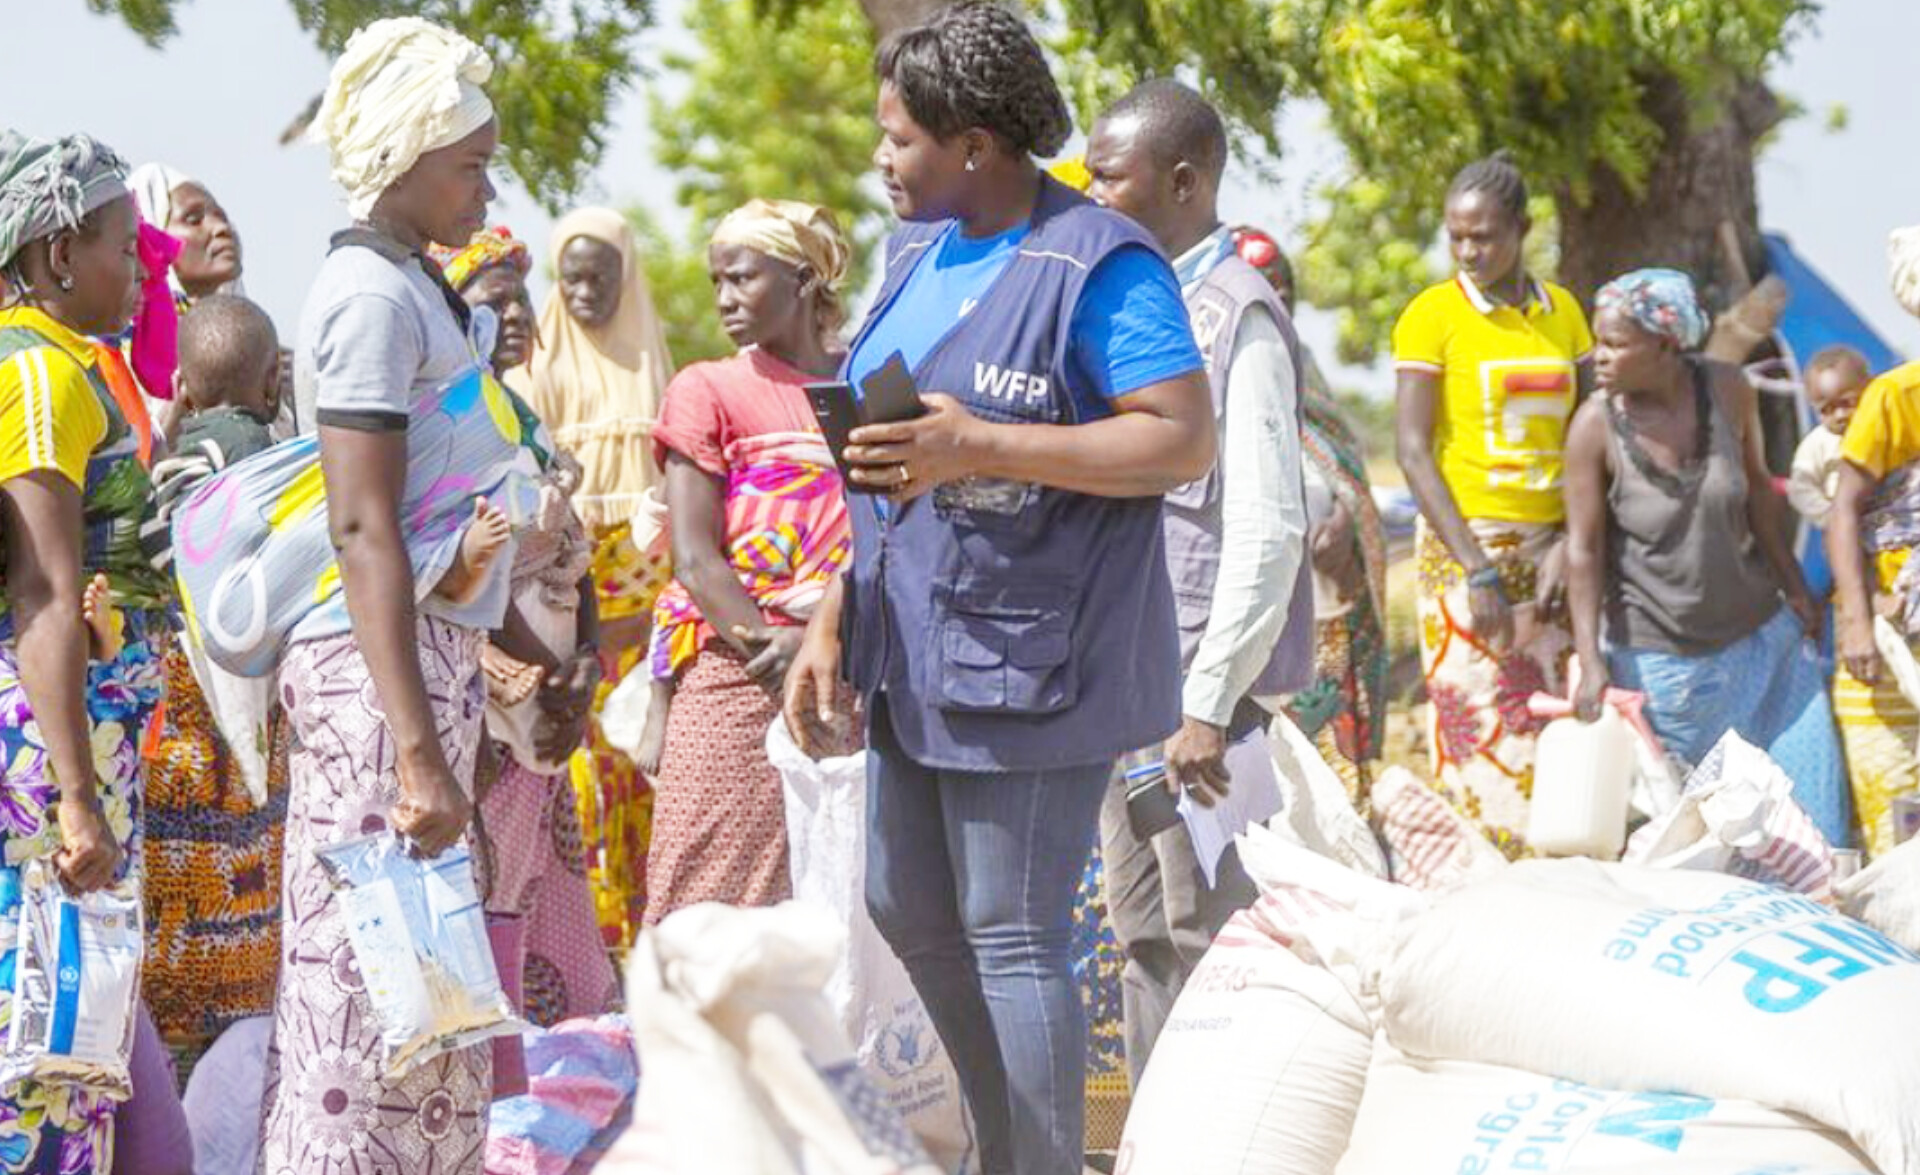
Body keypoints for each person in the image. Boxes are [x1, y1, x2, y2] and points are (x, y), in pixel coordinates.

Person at [781, 6, 1215, 1171]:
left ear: (975, 143)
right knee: (906, 905)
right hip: (914, 642)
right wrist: (834, 607)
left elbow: (1179, 441)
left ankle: (1040, 1159)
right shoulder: (917, 255)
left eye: (899, 138)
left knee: (1014, 932)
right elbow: (889, 453)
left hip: (1038, 651)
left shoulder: (1101, 261)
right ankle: (1002, 1145)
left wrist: (984, 445)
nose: (882, 159)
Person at [257, 18, 523, 1172]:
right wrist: (416, 752)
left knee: (432, 1002)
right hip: (378, 687)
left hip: (415, 674)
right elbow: (364, 525)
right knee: (367, 1008)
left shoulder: (418, 287)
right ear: (405, 158)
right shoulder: (368, 296)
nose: (485, 185)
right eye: (469, 163)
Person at [1082, 79, 1310, 1084]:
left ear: (1183, 181)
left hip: (1198, 706)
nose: (1088, 194)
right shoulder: (1139, 305)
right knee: (1143, 933)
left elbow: (1267, 534)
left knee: (1210, 935)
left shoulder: (1237, 320)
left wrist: (1209, 704)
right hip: (1128, 687)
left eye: (1108, 176)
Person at [0, 128, 180, 1173]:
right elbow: (43, 591)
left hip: (79, 730)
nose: (144, 267)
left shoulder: (74, 367)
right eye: (125, 245)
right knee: (52, 1020)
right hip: (44, 746)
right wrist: (75, 795)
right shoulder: (35, 377)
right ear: (59, 254)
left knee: (85, 1017)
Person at [1563, 268, 1846, 846]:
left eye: (1615, 344)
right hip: (1667, 672)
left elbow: (1758, 496)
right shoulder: (1595, 427)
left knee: (1815, 825)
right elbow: (1583, 549)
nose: (1599, 358)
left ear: (1666, 344)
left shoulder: (1727, 388)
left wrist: (1794, 587)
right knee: (1711, 846)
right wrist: (1590, 658)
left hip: (1766, 652)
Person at [641, 199, 858, 922]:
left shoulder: (863, 387)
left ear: (801, 279)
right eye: (717, 284)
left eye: (741, 279)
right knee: (705, 903)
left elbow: (898, 531)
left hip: (851, 665)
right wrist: (781, 651)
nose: (726, 300)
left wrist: (824, 641)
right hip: (737, 670)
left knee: (836, 901)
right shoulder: (707, 390)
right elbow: (696, 557)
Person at [427, 225, 618, 1025]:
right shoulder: (442, 424)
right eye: (488, 300)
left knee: (551, 908)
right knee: (487, 896)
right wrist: (536, 668)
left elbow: (574, 557)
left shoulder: (522, 419)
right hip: (484, 710)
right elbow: (464, 570)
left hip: (545, 712)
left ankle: (563, 1089)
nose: (511, 314)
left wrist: (588, 659)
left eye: (517, 299)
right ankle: (496, 1088)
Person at [1392, 153, 1593, 854]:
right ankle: (1485, 887)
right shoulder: (1433, 316)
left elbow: (1587, 435)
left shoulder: (1563, 313)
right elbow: (1414, 451)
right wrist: (1475, 567)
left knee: (1551, 723)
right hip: (1465, 545)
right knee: (1477, 717)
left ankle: (1554, 880)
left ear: (1524, 228)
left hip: (1553, 552)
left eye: (1486, 236)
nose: (1471, 252)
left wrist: (1574, 540)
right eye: (1458, 237)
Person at [516, 207, 675, 947]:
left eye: (599, 276)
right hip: (568, 603)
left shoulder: (653, 362)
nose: (584, 292)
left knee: (644, 776)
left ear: (626, 276)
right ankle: (593, 945)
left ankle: (649, 948)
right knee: (579, 779)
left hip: (647, 619)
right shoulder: (535, 369)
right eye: (570, 277)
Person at [138, 293, 293, 1046]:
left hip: (172, 712)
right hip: (246, 710)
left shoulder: (162, 462)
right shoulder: (274, 459)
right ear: (272, 385)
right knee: (249, 890)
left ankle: (174, 1050)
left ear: (184, 390)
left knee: (174, 891)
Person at [1234, 227, 1391, 803]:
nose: (1272, 300)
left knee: (1331, 774)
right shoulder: (1205, 364)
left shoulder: (1303, 363)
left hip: (1325, 618)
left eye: (1281, 288)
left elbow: (1344, 465)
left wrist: (1348, 522)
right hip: (1251, 622)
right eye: (1259, 288)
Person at [1827, 349, 1920, 856]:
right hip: (1888, 653)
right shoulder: (1898, 395)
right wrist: (1858, 623)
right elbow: (1844, 510)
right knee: (1896, 832)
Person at [1787, 345, 1871, 528]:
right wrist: (1831, 516)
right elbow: (1800, 488)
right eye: (1826, 410)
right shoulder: (1818, 443)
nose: (1840, 415)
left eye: (1848, 403)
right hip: (1848, 529)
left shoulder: (1882, 429)